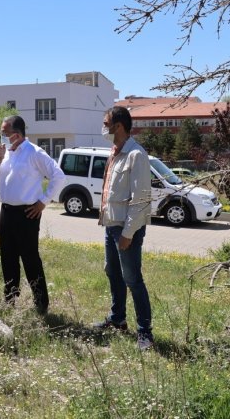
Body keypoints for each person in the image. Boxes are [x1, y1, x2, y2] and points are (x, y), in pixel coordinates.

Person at [0, 115, 65, 314]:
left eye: (5, 133)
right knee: (7, 257)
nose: (1, 136)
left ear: (17, 135)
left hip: (27, 213)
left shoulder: (34, 152)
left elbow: (59, 176)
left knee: (30, 259)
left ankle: (41, 303)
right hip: (7, 212)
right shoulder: (6, 153)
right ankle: (10, 298)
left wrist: (43, 202)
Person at [96, 106, 154, 351]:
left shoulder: (135, 155)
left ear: (118, 126)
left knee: (132, 279)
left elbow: (141, 199)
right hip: (111, 224)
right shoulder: (115, 152)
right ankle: (118, 318)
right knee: (112, 271)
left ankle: (145, 333)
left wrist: (128, 234)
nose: (104, 128)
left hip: (126, 229)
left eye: (106, 123)